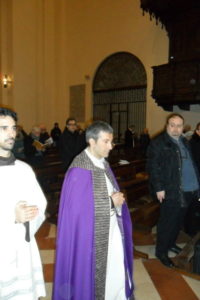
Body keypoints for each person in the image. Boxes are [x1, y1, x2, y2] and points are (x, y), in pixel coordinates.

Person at [53, 121, 134, 300]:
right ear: (92, 141)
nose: (111, 146)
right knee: (95, 277)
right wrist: (111, 203)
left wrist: (116, 200)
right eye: (106, 141)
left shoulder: (102, 163)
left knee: (115, 269)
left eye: (111, 141)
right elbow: (78, 212)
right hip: (90, 238)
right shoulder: (79, 169)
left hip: (111, 228)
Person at [0, 107, 47, 299]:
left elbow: (40, 204)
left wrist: (31, 214)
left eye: (13, 128)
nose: (12, 133)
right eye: (4, 128)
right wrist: (12, 217)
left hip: (23, 245)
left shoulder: (24, 169)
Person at [147, 113, 200, 268]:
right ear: (167, 125)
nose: (176, 128)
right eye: (172, 125)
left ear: (183, 127)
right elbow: (153, 167)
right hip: (171, 189)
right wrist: (159, 188)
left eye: (179, 125)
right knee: (167, 222)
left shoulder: (184, 141)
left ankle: (170, 244)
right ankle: (161, 251)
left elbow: (191, 164)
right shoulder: (159, 143)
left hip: (189, 189)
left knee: (178, 221)